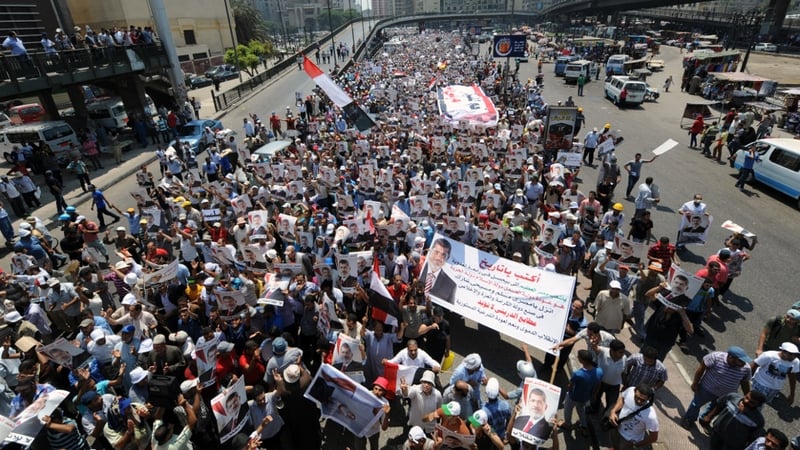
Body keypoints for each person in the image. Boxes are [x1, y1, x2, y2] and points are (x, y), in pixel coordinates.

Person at [681, 346, 753, 429]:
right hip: (707, 389)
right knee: (696, 404)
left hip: (726, 395)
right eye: (741, 361)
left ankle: (704, 420)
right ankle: (689, 419)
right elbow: (701, 368)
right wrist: (695, 383)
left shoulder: (746, 368)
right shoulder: (715, 357)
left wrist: (747, 396)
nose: (744, 363)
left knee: (714, 409)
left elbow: (745, 383)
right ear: (731, 357)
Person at [607, 384, 658, 450]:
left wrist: (636, 445)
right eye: (636, 397)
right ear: (634, 391)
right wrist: (613, 411)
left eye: (642, 400)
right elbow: (622, 398)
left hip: (629, 440)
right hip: (616, 428)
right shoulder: (630, 390)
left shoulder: (651, 415)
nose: (638, 401)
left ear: (649, 398)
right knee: (614, 444)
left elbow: (653, 437)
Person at [418, 238, 457, 304]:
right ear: (430, 251)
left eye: (443, 255)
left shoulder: (451, 286)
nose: (438, 258)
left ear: (448, 258)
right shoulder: (419, 269)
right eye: (436, 252)